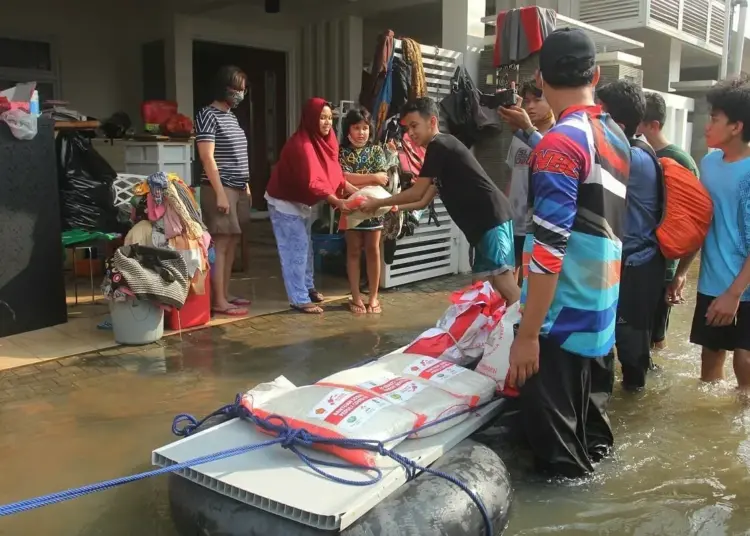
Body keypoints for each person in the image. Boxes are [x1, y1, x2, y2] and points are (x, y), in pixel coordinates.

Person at [507, 28, 630, 478]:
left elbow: (548, 252)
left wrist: (527, 336)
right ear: (595, 74)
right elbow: (586, 190)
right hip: (601, 317)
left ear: (540, 79)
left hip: (559, 326)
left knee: (560, 469)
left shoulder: (561, 143)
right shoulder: (614, 136)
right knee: (594, 442)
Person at [360, 98, 519, 304]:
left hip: (491, 220)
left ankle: (529, 332)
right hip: (481, 228)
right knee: (480, 288)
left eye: (414, 125)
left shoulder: (440, 145)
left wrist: (377, 203)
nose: (410, 133)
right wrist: (394, 207)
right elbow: (422, 201)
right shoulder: (440, 152)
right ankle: (494, 333)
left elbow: (416, 193)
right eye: (408, 128)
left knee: (503, 282)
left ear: (432, 121)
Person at [669, 75, 750, 390]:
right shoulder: (709, 163)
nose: (706, 126)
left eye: (714, 120)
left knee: (744, 364)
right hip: (713, 282)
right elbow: (700, 222)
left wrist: (734, 294)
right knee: (709, 370)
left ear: (736, 126)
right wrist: (681, 272)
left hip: (744, 287)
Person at [596, 80, 666, 392]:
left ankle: (634, 403)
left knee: (631, 350)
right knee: (625, 341)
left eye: (600, 114)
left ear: (618, 124)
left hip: (638, 266)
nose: (594, 120)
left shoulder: (630, 158)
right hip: (635, 263)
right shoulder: (637, 151)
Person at [265, 97, 352, 314]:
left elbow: (334, 174)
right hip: (284, 202)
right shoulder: (301, 145)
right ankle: (299, 298)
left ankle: (308, 287)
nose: (327, 123)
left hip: (301, 203)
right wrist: (337, 202)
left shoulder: (327, 141)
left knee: (306, 248)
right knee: (295, 250)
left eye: (330, 118)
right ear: (311, 119)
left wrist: (355, 192)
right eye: (322, 118)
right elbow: (314, 181)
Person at [638, 91, 700, 351]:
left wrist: (681, 273)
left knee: (656, 337)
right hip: (639, 262)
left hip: (665, 266)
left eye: (639, 123)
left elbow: (696, 222)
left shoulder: (680, 160)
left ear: (653, 126)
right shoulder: (639, 154)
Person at [195, 65, 253, 317]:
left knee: (232, 244)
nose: (240, 94)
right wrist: (219, 193)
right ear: (223, 88)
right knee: (220, 244)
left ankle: (225, 294)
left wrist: (246, 185)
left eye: (243, 89)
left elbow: (238, 154)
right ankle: (217, 301)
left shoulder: (231, 116)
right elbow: (208, 158)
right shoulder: (207, 115)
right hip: (220, 187)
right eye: (236, 89)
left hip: (238, 187)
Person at [498, 79, 555, 284]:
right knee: (508, 276)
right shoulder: (519, 138)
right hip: (514, 221)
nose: (530, 106)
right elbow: (513, 176)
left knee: (530, 282)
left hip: (538, 225)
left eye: (537, 100)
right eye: (527, 100)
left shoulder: (556, 138)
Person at [339, 108, 389, 314]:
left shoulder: (377, 151)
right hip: (350, 207)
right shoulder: (341, 152)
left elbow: (383, 178)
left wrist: (356, 179)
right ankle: (356, 296)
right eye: (356, 128)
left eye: (365, 128)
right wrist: (372, 178)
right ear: (348, 129)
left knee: (373, 250)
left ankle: (374, 297)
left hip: (374, 208)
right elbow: (341, 177)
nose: (361, 132)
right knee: (353, 250)